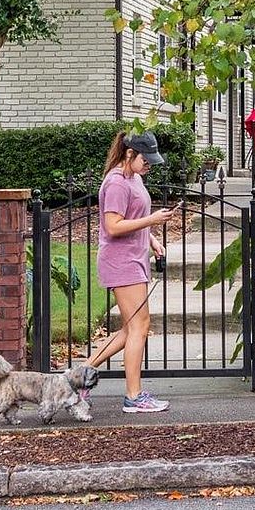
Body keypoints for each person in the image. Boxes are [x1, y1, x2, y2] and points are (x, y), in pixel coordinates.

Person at [86, 130, 176, 413]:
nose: (149, 164)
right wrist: (152, 220)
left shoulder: (134, 178)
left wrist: (151, 238)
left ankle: (78, 377)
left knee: (130, 329)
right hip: (121, 262)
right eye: (145, 159)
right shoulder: (116, 183)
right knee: (140, 326)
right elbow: (112, 226)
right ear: (129, 154)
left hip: (134, 258)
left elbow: (132, 217)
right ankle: (133, 397)